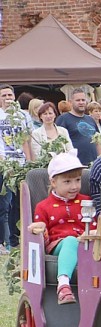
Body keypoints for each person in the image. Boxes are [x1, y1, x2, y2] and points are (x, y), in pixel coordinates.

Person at [28, 150, 92, 304]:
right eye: (67, 182)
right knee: (70, 241)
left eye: (78, 180)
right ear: (54, 182)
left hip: (86, 243)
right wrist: (40, 228)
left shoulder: (86, 202)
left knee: (83, 242)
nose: (74, 186)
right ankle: (63, 284)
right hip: (59, 244)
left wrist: (93, 232)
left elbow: (94, 224)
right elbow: (39, 228)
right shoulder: (44, 206)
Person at [0, 83, 32, 250]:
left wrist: (30, 162)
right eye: (4, 96)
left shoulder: (23, 116)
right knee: (6, 204)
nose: (8, 99)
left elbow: (27, 140)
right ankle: (7, 241)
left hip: (21, 163)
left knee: (21, 204)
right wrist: (5, 164)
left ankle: (18, 239)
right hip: (5, 165)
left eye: (10, 95)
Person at [56, 88, 100, 165]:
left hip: (93, 164)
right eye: (78, 100)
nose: (81, 102)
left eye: (83, 100)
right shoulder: (63, 119)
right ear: (70, 102)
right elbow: (59, 144)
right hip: (74, 165)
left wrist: (100, 158)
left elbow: (98, 142)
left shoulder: (90, 119)